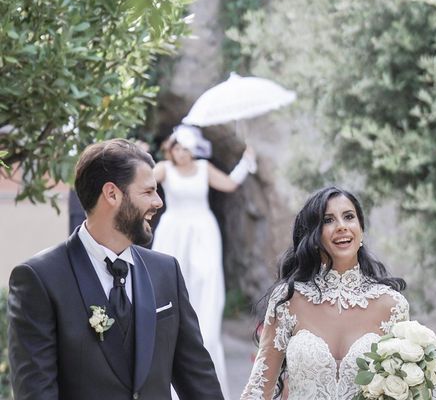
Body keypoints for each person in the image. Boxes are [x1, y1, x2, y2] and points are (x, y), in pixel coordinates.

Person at [7, 139, 224, 400]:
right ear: (112, 194)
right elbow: (36, 393)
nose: (158, 202)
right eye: (147, 192)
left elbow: (199, 380)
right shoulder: (39, 279)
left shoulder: (166, 271)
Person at [240, 186, 410, 399]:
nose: (341, 226)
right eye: (328, 220)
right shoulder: (288, 299)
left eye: (349, 217)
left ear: (361, 229)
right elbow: (258, 389)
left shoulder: (392, 305)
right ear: (314, 235)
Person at [152, 125, 257, 399]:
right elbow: (141, 182)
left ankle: (204, 349)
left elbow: (230, 183)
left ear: (193, 150)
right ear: (171, 148)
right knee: (169, 289)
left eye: (186, 148)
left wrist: (246, 161)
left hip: (202, 233)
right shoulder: (164, 169)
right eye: (177, 147)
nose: (181, 153)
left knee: (205, 288)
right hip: (173, 233)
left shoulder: (203, 168)